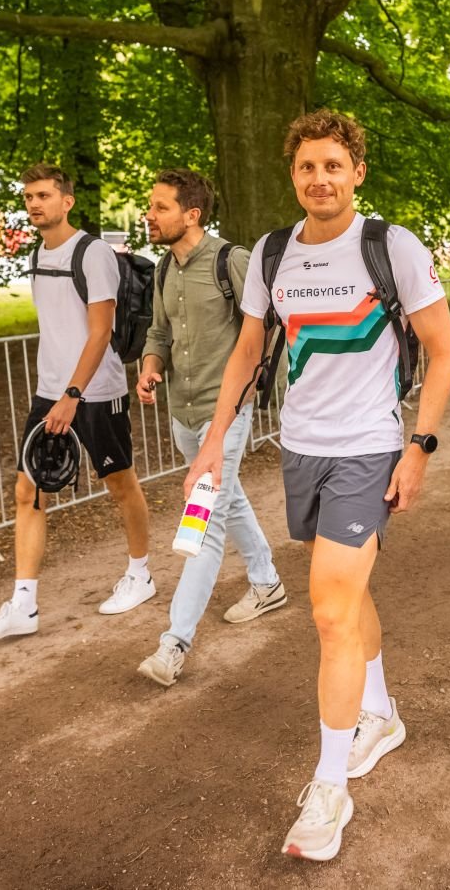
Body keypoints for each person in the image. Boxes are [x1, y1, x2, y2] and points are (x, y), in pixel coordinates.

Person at [183, 109, 450, 862]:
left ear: (357, 172)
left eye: (333, 165)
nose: (319, 178)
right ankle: (380, 713)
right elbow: (248, 352)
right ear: (293, 175)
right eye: (306, 166)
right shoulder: (272, 254)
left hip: (368, 449)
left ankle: (329, 786)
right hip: (300, 448)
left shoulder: (390, 247)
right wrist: (214, 444)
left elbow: (441, 348)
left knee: (330, 611)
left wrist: (420, 447)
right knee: (349, 594)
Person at [0, 164, 156, 641]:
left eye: (44, 195)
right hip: (48, 392)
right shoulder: (36, 252)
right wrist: (56, 392)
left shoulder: (92, 253)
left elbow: (100, 332)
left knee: (119, 484)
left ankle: (140, 574)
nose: (34, 204)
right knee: (28, 490)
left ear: (67, 201)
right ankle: (23, 604)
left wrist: (73, 395)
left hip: (95, 392)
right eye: (29, 197)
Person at [135, 169, 286, 687]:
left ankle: (173, 643)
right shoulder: (163, 268)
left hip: (227, 413)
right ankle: (266, 582)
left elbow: (262, 332)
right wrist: (150, 367)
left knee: (204, 519)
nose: (149, 215)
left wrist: (267, 395)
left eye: (160, 207)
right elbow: (159, 332)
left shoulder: (231, 261)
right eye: (151, 206)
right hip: (182, 412)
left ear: (192, 214)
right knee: (228, 498)